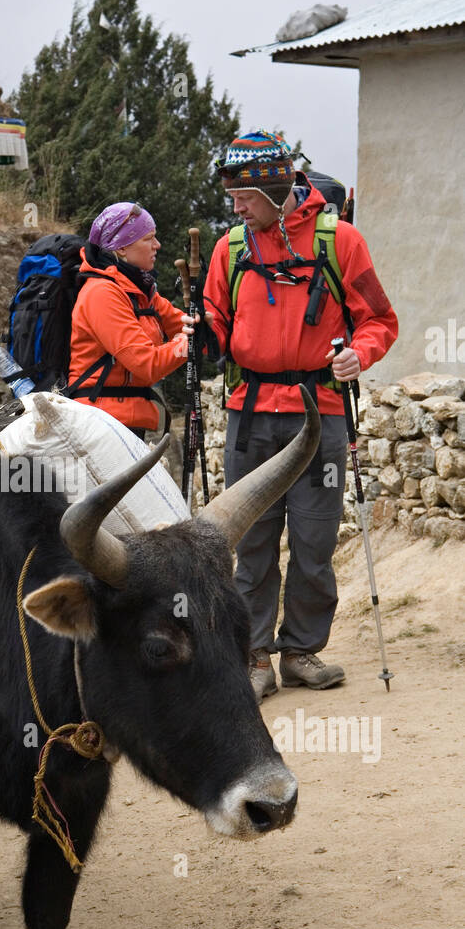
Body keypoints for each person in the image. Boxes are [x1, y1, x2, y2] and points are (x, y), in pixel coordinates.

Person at [202, 131, 398, 699]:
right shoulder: (231, 249)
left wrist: (359, 354)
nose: (236, 209)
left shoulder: (342, 242)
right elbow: (216, 318)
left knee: (314, 541)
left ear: (275, 185)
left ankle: (302, 651)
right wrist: (198, 336)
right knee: (252, 539)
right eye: (233, 198)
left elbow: (379, 319)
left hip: (321, 412)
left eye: (245, 198)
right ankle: (255, 657)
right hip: (249, 410)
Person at [66, 202, 198, 439]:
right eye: (149, 239)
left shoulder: (141, 292)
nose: (157, 245)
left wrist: (201, 324)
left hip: (124, 424)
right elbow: (147, 365)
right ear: (122, 247)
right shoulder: (101, 294)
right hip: (98, 427)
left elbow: (183, 324)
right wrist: (189, 344)